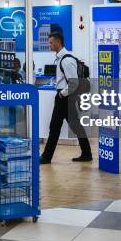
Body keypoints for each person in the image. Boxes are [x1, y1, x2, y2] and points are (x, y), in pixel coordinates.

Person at [40, 32, 92, 164]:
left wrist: (62, 93)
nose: (49, 45)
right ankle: (87, 153)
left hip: (65, 98)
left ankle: (46, 156)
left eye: (51, 42)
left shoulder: (66, 60)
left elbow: (74, 83)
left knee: (55, 126)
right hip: (66, 97)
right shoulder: (61, 58)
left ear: (58, 42)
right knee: (75, 126)